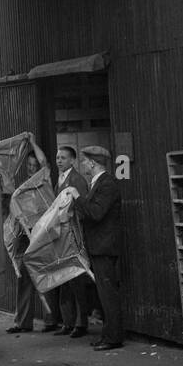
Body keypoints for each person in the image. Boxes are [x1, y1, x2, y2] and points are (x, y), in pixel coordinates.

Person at [63, 145, 123, 350]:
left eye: (85, 161)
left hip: (104, 247)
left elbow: (96, 213)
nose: (83, 164)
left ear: (93, 163)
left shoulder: (107, 185)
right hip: (99, 246)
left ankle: (113, 338)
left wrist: (77, 197)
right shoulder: (98, 183)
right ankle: (108, 335)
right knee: (104, 294)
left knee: (108, 294)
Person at [6, 135, 53, 333]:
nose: (32, 168)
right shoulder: (23, 185)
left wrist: (33, 142)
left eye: (35, 165)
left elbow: (44, 162)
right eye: (29, 164)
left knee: (44, 276)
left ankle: (52, 320)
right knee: (24, 278)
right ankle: (23, 322)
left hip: (42, 236)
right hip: (26, 237)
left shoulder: (44, 179)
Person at [45, 145, 92, 338]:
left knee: (77, 279)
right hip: (61, 236)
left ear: (72, 161)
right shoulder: (61, 179)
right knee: (64, 279)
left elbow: (82, 208)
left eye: (63, 158)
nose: (59, 161)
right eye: (57, 157)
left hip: (73, 237)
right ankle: (68, 321)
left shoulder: (77, 180)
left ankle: (81, 323)